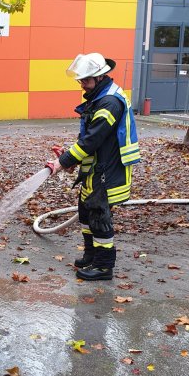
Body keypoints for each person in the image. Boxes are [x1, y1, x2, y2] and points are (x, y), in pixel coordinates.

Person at [47, 52, 140, 280]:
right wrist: (72, 157)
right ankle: (91, 255)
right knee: (85, 213)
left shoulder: (109, 102)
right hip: (96, 168)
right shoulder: (100, 97)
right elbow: (91, 139)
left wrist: (62, 162)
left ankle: (103, 267)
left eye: (86, 80)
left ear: (100, 77)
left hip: (108, 170)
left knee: (99, 218)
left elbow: (92, 140)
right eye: (80, 80)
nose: (82, 84)